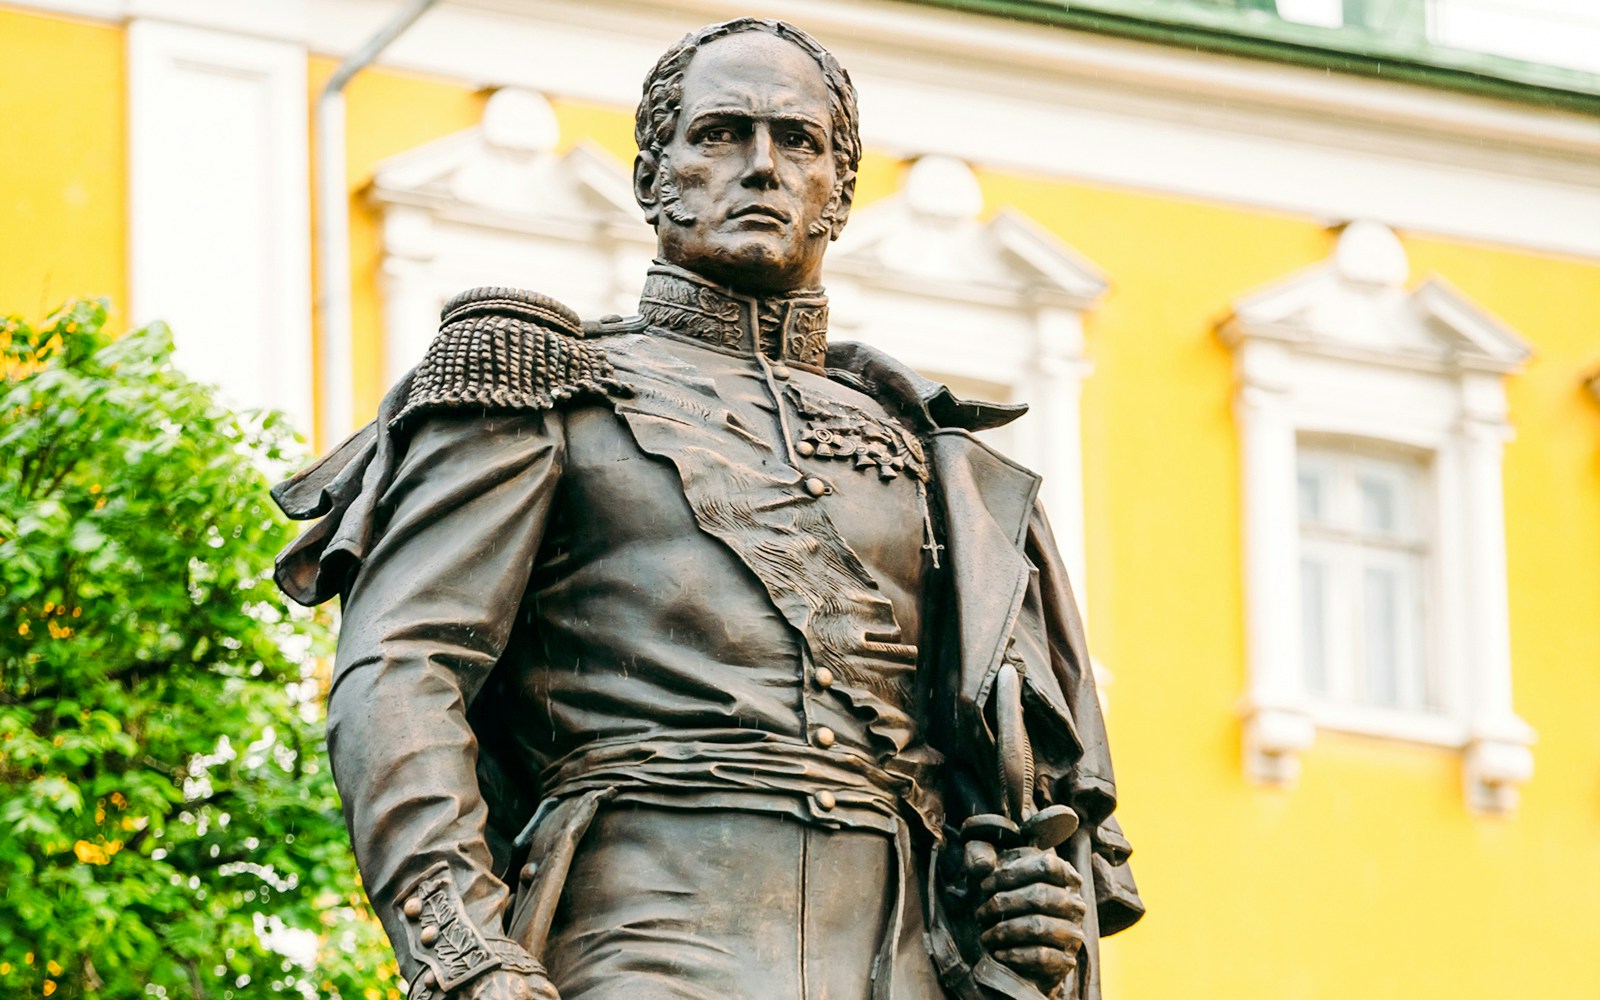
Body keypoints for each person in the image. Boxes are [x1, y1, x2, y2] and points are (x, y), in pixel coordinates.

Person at [272, 18, 1141, 1000]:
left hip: (905, 967)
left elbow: (1007, 793)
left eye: (797, 141)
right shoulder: (548, 391)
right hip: (638, 952)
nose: (761, 167)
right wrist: (464, 948)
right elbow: (402, 666)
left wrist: (1028, 909)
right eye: (721, 133)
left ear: (839, 192)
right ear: (652, 178)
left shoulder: (946, 467)